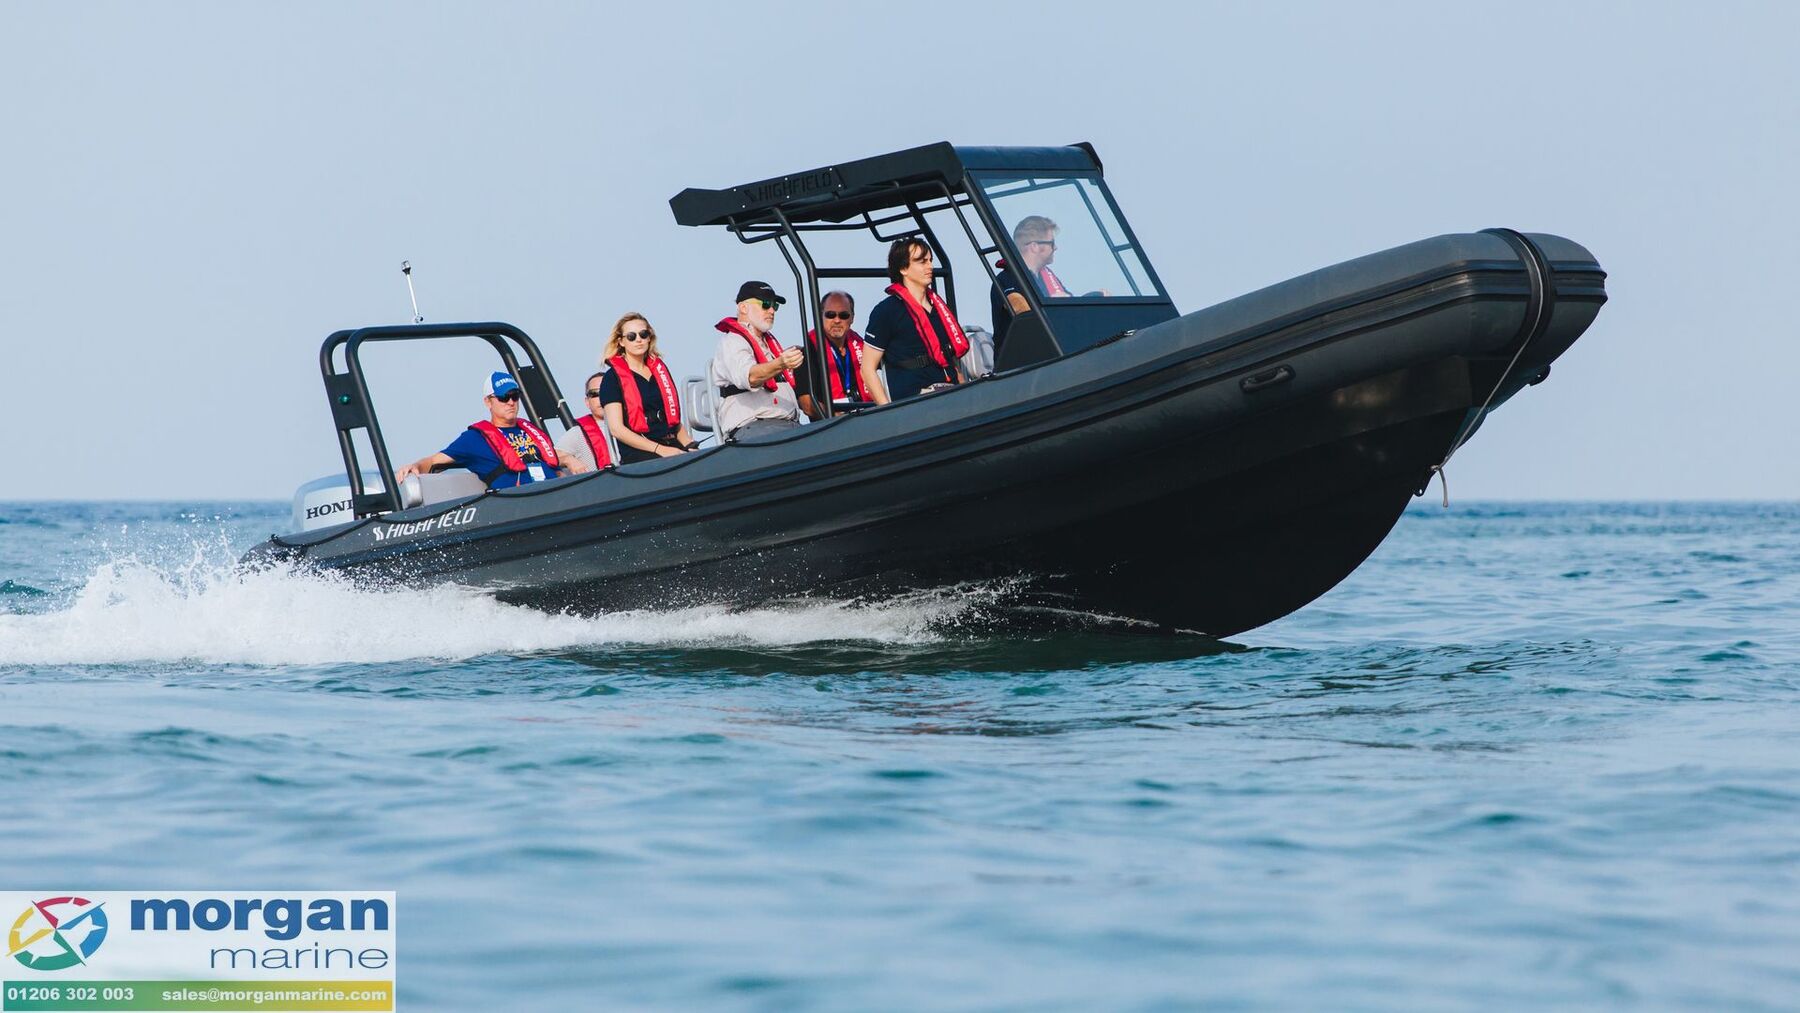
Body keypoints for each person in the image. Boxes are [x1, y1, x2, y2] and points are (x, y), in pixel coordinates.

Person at [398, 372, 562, 488]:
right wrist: (416, 466)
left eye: (515, 396)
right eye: (503, 397)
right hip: (520, 502)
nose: (511, 402)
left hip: (555, 492)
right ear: (488, 402)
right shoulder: (474, 439)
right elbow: (435, 461)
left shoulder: (530, 430)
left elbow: (554, 460)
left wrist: (568, 460)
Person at [860, 238, 970, 404]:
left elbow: (950, 357)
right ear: (903, 268)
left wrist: (967, 392)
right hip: (916, 401)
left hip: (951, 392)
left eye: (930, 260)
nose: (930, 266)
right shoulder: (886, 311)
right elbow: (867, 369)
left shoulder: (939, 308)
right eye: (922, 261)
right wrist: (888, 411)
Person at [592, 312, 696, 464]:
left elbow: (674, 422)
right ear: (621, 342)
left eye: (643, 334)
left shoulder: (660, 372)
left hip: (672, 446)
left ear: (649, 338)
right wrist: (660, 450)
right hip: (640, 453)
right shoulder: (612, 378)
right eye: (631, 336)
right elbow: (616, 429)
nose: (638, 339)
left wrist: (690, 445)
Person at [710, 280, 805, 438]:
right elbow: (750, 377)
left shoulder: (769, 344)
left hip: (788, 426)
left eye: (775, 306)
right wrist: (781, 363)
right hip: (753, 428)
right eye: (765, 304)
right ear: (743, 307)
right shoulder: (732, 342)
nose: (772, 310)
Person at [991, 215, 1071, 353]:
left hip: (1053, 350)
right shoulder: (1006, 279)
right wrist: (1056, 306)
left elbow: (1071, 306)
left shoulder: (1047, 277)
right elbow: (1024, 314)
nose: (1056, 247)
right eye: (1051, 243)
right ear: (1034, 246)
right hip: (1024, 358)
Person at [797, 291, 875, 419]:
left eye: (844, 315)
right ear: (820, 316)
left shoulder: (864, 348)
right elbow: (807, 405)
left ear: (852, 318)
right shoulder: (807, 354)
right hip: (832, 426)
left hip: (867, 420)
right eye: (830, 315)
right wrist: (835, 416)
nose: (837, 320)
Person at [554, 369, 615, 474]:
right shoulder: (577, 433)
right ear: (587, 402)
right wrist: (568, 460)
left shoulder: (633, 428)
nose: (602, 397)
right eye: (595, 394)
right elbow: (551, 456)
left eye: (608, 391)